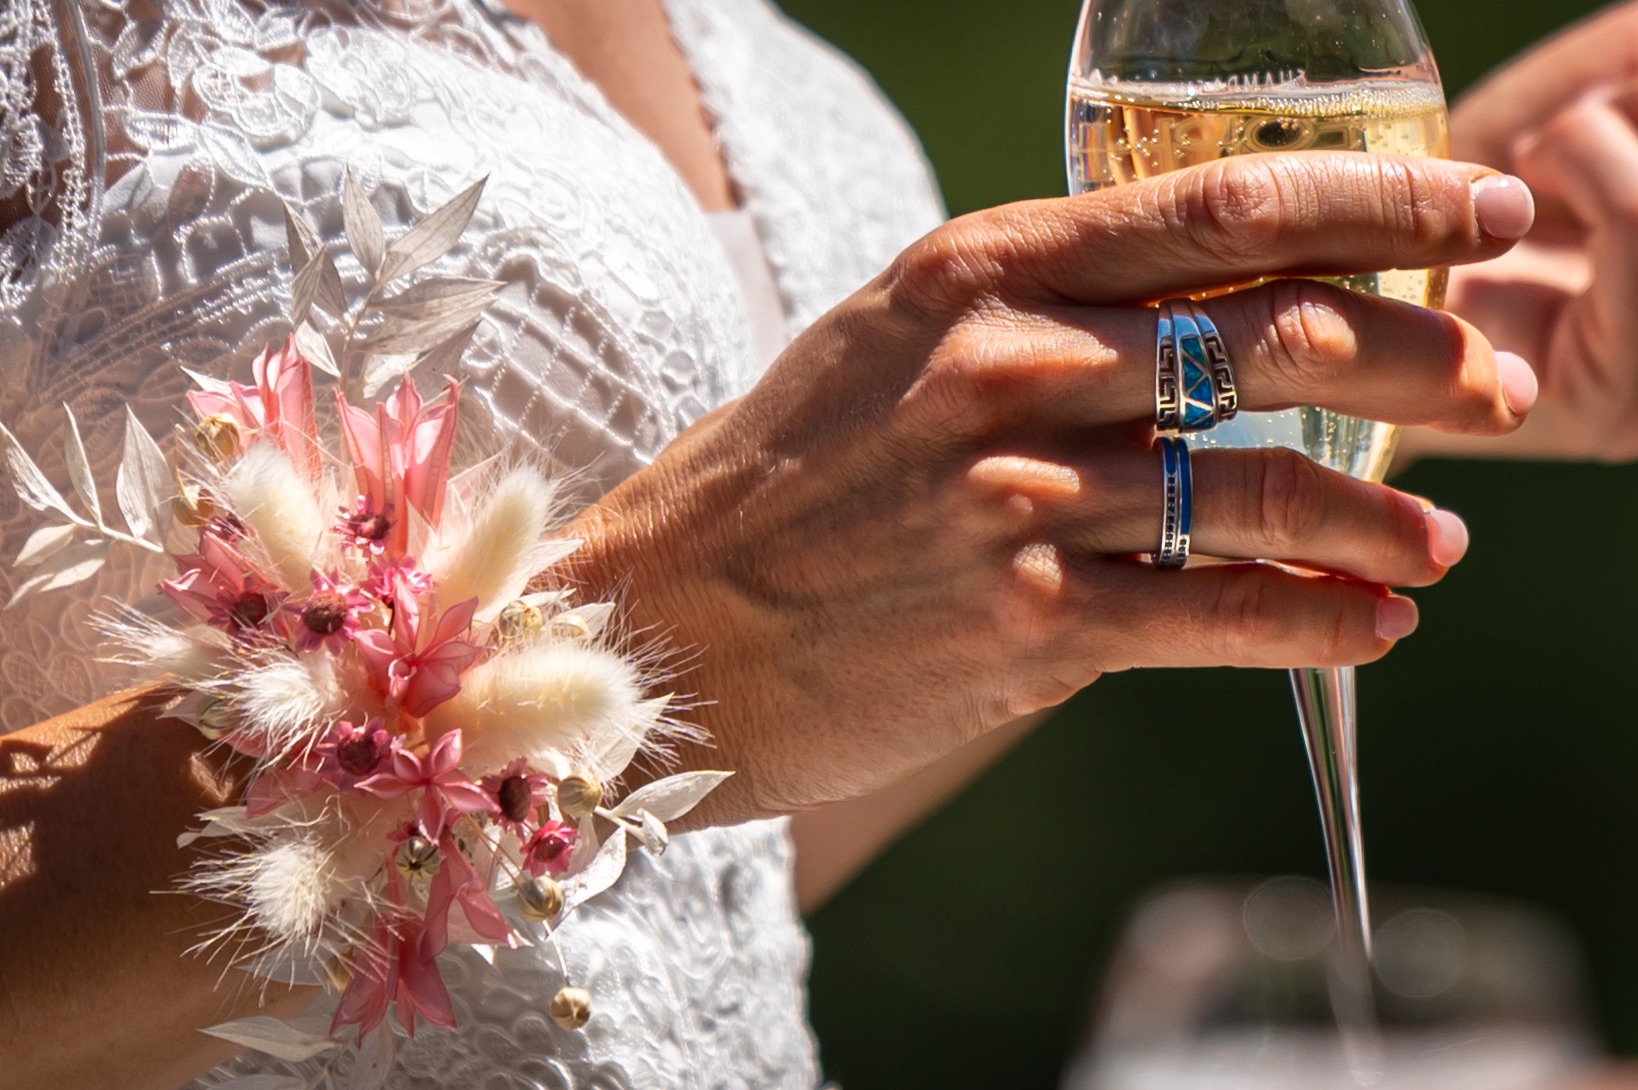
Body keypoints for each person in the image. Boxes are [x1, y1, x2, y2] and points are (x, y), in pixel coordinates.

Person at [0, 0, 1623, 1086]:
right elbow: (707, 638)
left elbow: (671, 906)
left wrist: (1340, 335)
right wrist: (619, 647)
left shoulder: (763, 53)